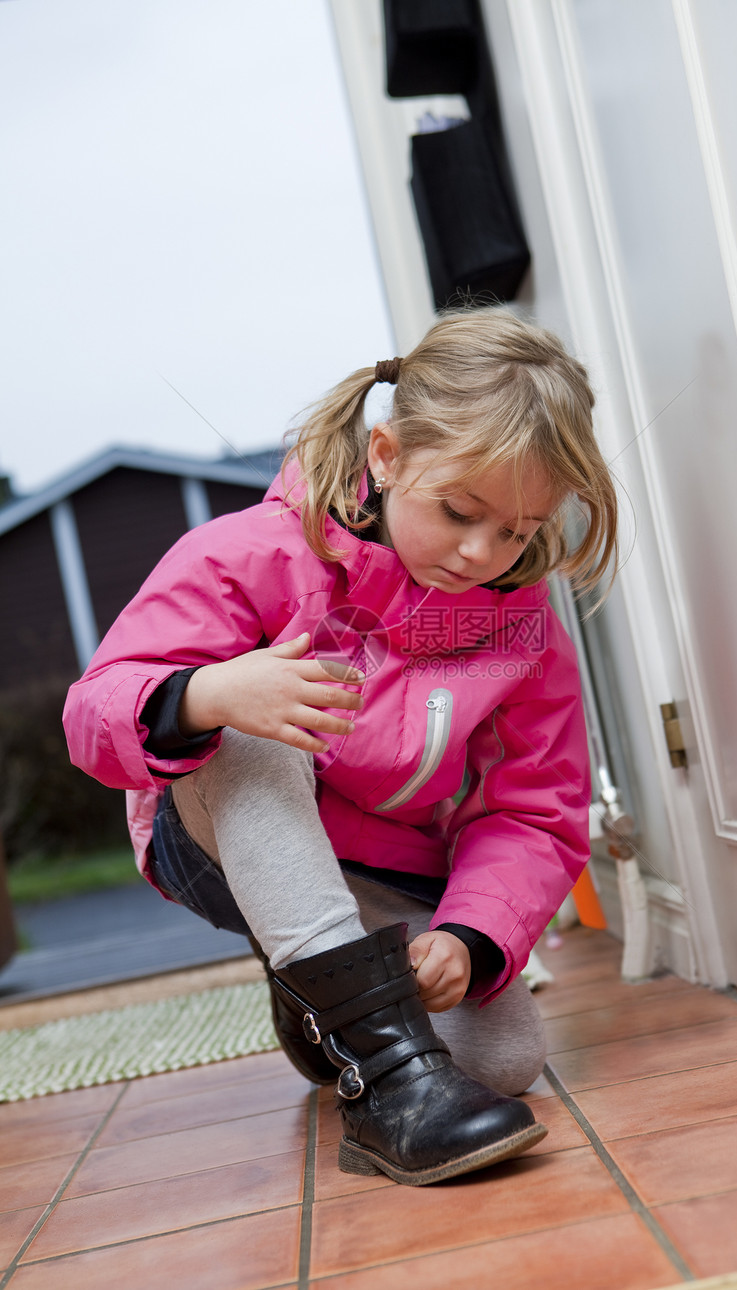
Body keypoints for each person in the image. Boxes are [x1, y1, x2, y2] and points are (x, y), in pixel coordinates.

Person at [63, 308, 617, 1187]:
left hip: (383, 874)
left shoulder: (522, 630)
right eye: (460, 512)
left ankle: (324, 997)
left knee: (504, 1056)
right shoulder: (252, 553)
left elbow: (532, 810)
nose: (483, 552)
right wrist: (209, 694)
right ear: (388, 457)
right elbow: (91, 715)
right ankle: (387, 1085)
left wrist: (472, 939)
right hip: (217, 837)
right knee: (251, 724)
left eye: (517, 530)